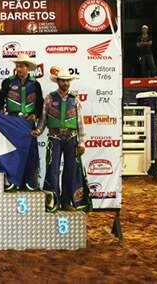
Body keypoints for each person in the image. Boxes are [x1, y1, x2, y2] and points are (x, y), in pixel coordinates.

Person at [32, 67, 91, 212]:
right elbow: (43, 118)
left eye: (67, 81)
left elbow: (80, 122)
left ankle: (66, 202)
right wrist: (38, 130)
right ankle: (53, 202)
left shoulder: (74, 99)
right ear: (58, 81)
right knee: (53, 169)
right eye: (63, 80)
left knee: (70, 171)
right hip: (54, 137)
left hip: (71, 138)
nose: (65, 83)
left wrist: (82, 142)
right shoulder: (50, 98)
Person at [0, 53, 43, 192]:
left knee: (30, 153)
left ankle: (30, 182)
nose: (19, 69)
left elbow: (40, 103)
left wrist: (36, 114)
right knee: (12, 152)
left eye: (22, 66)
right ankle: (11, 181)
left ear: (27, 67)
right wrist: (1, 111)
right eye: (17, 66)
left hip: (28, 122)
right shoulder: (8, 81)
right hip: (12, 121)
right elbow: (0, 99)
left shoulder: (35, 84)